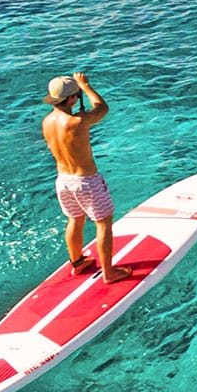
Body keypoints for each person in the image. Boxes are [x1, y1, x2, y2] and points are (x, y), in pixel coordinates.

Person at [43, 71, 132, 283]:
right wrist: (86, 87)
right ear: (72, 98)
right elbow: (102, 108)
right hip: (86, 182)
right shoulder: (77, 121)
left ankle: (78, 262)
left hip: (63, 180)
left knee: (75, 219)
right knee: (103, 224)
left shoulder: (47, 121)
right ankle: (109, 273)